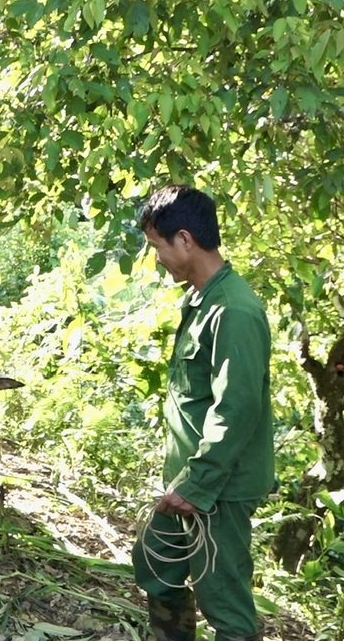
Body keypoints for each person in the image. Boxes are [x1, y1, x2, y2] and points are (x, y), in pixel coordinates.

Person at [132, 185, 274, 641]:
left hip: (217, 487)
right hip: (189, 480)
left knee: (224, 602)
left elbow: (237, 407)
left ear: (185, 240)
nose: (157, 258)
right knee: (156, 565)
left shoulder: (234, 310)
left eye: (157, 246)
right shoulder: (202, 300)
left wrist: (198, 483)